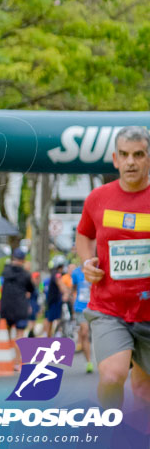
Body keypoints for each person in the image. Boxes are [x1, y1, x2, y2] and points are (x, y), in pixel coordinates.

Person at [76, 125, 150, 411]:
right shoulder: (98, 198)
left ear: (148, 158)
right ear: (115, 159)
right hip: (109, 307)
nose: (131, 161)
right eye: (124, 154)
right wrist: (86, 262)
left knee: (144, 390)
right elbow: (84, 233)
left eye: (138, 154)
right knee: (111, 376)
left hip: (147, 310)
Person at [0, 248, 36, 370]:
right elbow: (31, 289)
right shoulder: (25, 274)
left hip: (6, 306)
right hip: (20, 306)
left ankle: (5, 361)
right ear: (23, 260)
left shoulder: (5, 271)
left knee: (6, 334)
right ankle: (17, 363)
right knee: (20, 335)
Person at [70, 259, 94, 373]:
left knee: (95, 334)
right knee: (84, 332)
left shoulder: (95, 269)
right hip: (80, 307)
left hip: (94, 306)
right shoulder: (76, 273)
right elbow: (73, 289)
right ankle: (88, 362)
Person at [43, 256, 68, 337]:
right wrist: (66, 292)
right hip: (54, 301)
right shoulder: (57, 274)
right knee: (54, 320)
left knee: (51, 320)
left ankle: (50, 336)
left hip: (52, 301)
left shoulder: (54, 273)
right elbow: (60, 284)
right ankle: (51, 337)